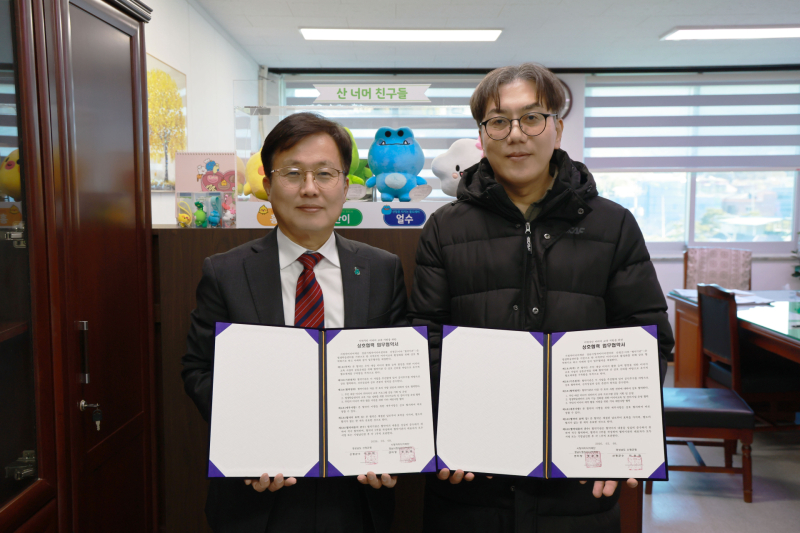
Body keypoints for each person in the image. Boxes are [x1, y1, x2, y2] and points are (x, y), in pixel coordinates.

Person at [408, 63, 674, 532]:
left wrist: (623, 437)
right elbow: (425, 341)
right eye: (498, 121)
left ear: (557, 128)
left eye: (531, 118)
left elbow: (645, 338)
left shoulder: (612, 225)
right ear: (482, 136)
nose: (516, 134)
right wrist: (444, 431)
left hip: (576, 485)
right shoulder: (445, 228)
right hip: (471, 483)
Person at [182, 112, 407, 532]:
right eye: (292, 173)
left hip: (355, 492)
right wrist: (246, 441)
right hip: (258, 496)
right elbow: (198, 369)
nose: (309, 188)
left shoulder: (382, 269)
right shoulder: (225, 271)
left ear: (346, 186)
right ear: (268, 186)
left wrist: (391, 449)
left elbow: (398, 375)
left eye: (324, 173)